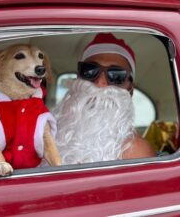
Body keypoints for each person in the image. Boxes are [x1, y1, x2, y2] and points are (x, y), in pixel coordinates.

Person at [53, 33, 156, 165]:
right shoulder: (46, 134)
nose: (100, 83)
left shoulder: (137, 151)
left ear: (130, 89)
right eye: (90, 71)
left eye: (116, 75)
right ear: (79, 77)